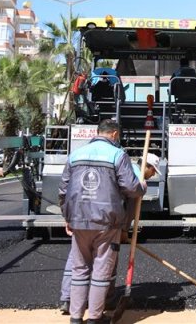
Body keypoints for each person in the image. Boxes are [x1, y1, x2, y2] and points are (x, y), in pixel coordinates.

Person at [59, 119, 146, 322]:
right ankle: (95, 318)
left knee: (79, 269)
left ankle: (75, 317)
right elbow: (131, 188)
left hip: (79, 220)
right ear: (114, 135)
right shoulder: (117, 155)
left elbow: (63, 190)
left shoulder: (75, 155)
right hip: (106, 222)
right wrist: (142, 185)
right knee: (101, 271)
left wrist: (67, 217)